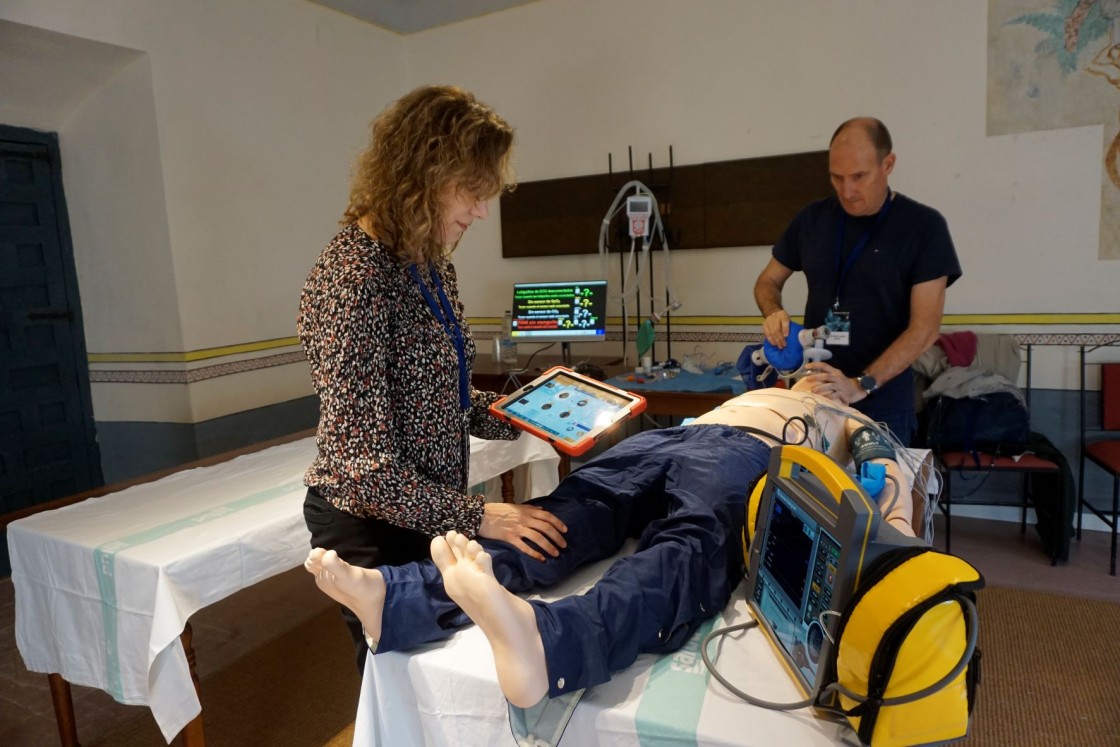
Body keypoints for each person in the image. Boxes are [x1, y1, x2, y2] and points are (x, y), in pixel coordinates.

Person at [304, 380, 922, 721]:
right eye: (807, 375)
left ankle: (550, 643)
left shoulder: (841, 412)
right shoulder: (759, 384)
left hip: (748, 454)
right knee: (569, 510)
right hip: (677, 436)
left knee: (688, 545)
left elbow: (885, 479)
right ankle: (400, 597)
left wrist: (852, 417)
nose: (811, 375)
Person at [297, 85, 567, 668]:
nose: (480, 210)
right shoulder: (354, 280)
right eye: (471, 191)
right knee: (403, 688)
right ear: (421, 174)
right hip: (367, 524)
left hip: (423, 509)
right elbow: (365, 470)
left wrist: (522, 411)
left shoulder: (426, 264)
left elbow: (437, 397)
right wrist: (485, 515)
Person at [753, 117, 962, 445]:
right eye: (837, 178)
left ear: (888, 164)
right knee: (808, 493)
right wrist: (773, 311)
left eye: (859, 177)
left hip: (882, 403)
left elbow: (925, 328)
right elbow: (767, 282)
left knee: (881, 493)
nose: (847, 191)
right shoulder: (812, 220)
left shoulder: (924, 228)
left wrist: (860, 384)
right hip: (815, 396)